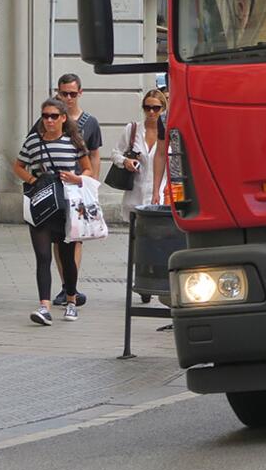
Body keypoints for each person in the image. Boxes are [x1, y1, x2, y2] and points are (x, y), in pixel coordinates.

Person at [12, 98, 93, 325]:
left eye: (54, 116)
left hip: (66, 206)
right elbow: (18, 165)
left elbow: (88, 168)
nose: (49, 120)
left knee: (67, 258)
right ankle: (44, 306)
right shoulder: (33, 142)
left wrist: (77, 178)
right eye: (45, 116)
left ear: (63, 118)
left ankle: (70, 301)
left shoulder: (73, 142)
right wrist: (32, 179)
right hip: (40, 204)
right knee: (43, 257)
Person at [50, 74, 102, 306]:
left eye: (72, 93)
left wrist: (91, 186)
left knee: (76, 237)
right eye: (64, 93)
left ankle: (71, 287)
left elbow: (95, 155)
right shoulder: (50, 118)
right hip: (54, 187)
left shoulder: (90, 122)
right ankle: (64, 286)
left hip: (78, 185)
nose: (68, 98)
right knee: (57, 238)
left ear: (80, 93)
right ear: (58, 92)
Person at [112, 89, 169, 216]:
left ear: (163, 109)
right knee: (134, 233)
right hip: (135, 194)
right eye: (147, 108)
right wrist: (125, 161)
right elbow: (116, 153)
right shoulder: (132, 129)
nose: (151, 112)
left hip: (160, 194)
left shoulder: (170, 133)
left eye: (156, 108)